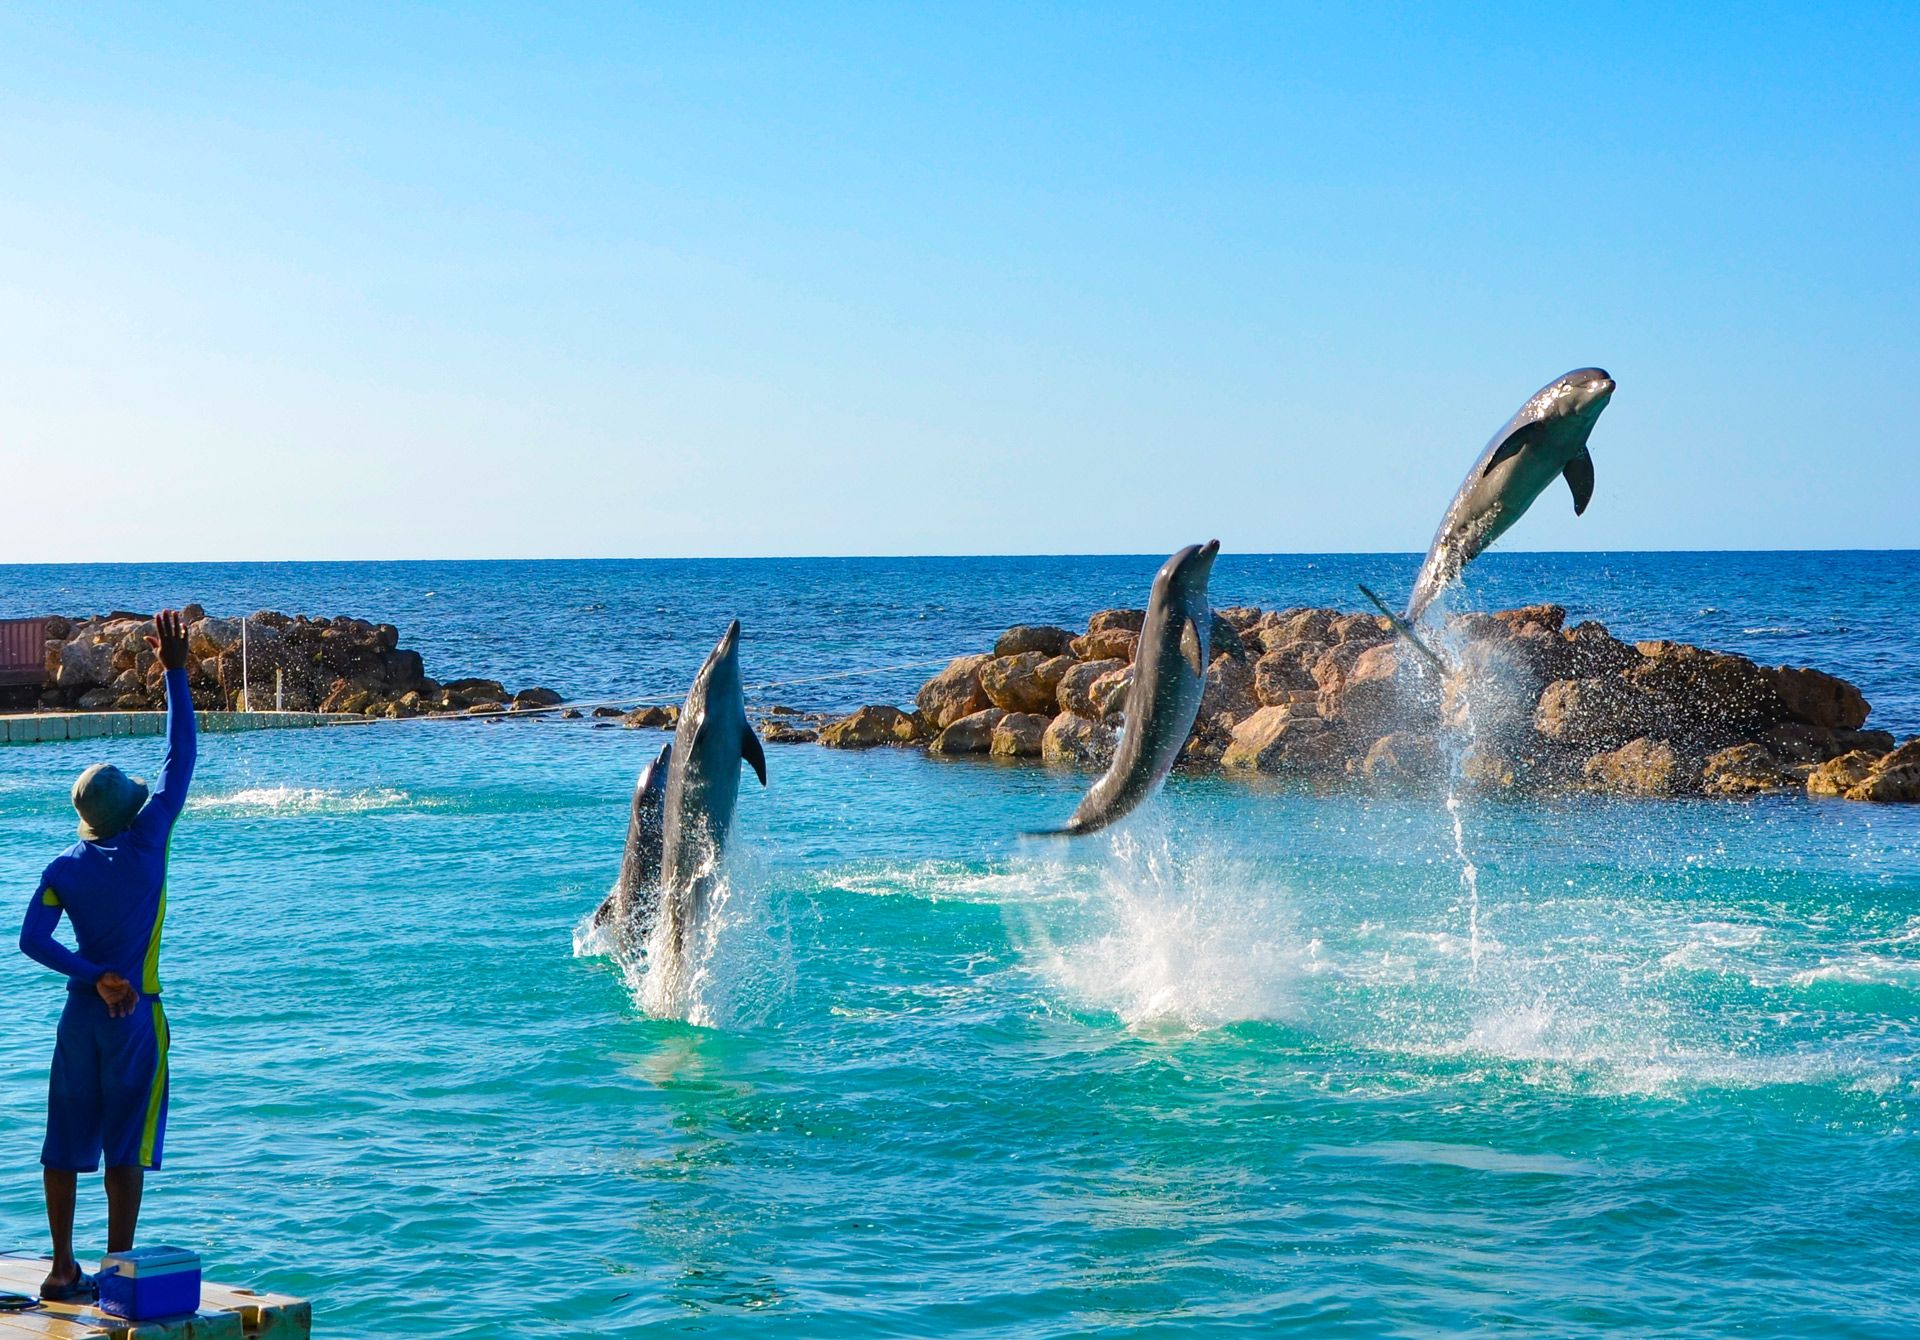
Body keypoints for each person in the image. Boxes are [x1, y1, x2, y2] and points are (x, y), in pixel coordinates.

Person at [17, 610, 196, 1301]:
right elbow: (181, 758)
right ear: (128, 811)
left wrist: (93, 977)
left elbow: (33, 941)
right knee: (126, 1148)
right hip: (133, 1020)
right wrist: (176, 670)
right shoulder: (149, 839)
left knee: (63, 1145)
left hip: (80, 1017)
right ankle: (117, 1274)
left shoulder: (65, 866)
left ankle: (61, 1269)